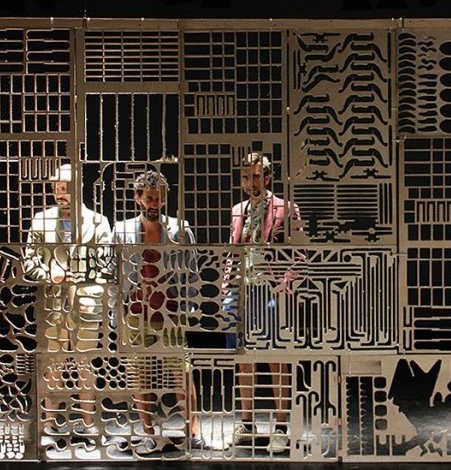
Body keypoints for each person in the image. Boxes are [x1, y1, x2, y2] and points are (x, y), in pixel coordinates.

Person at [111, 170, 202, 452]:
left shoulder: (180, 229)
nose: (155, 204)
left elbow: (192, 273)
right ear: (138, 198)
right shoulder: (122, 230)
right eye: (149, 198)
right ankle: (148, 431)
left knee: (182, 374)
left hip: (170, 313)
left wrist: (187, 308)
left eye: (159, 198)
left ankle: (194, 431)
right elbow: (113, 275)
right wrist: (116, 314)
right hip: (136, 313)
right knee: (141, 376)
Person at [22, 163, 112, 444]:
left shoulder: (98, 222)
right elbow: (29, 262)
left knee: (86, 365)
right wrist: (49, 274)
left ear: (79, 187)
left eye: (65, 188)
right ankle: (49, 426)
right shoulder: (41, 220)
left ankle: (89, 425)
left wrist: (91, 293)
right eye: (56, 188)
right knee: (53, 366)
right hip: (52, 304)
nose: (60, 193)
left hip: (86, 304)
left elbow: (107, 266)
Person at [220, 152, 302, 453]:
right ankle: (247, 423)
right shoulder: (237, 209)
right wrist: (226, 285)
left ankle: (280, 427)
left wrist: (284, 285)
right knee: (242, 357)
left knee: (276, 357)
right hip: (240, 290)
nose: (250, 182)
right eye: (245, 177)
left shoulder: (286, 208)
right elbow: (233, 248)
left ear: (267, 177)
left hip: (269, 290)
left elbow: (301, 253)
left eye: (255, 176)